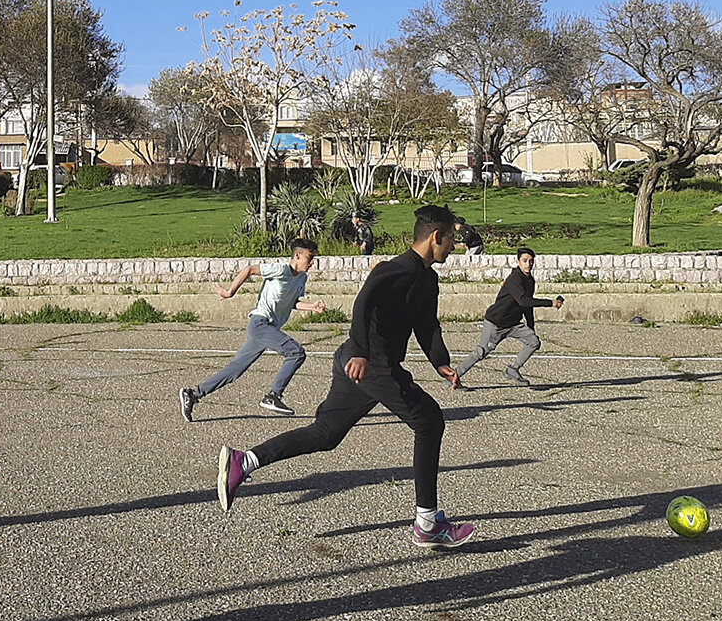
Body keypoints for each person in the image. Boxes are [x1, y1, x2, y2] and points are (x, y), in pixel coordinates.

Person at [216, 205, 477, 549]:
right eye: (451, 241)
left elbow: (426, 324)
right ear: (435, 237)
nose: (454, 247)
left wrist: (440, 363)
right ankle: (427, 524)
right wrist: (361, 351)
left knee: (325, 434)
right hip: (370, 364)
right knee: (429, 421)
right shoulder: (395, 270)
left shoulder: (427, 279)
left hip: (362, 364)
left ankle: (243, 461)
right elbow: (363, 304)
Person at [180, 238, 326, 421]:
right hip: (260, 324)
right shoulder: (280, 270)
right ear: (297, 255)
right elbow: (249, 270)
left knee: (234, 372)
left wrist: (312, 307)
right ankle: (273, 396)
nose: (312, 263)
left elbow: (292, 303)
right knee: (296, 353)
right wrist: (230, 292)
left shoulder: (302, 278)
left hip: (267, 329)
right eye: (309, 257)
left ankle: (193, 394)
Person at [455, 247, 563, 387]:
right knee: (480, 353)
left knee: (533, 342)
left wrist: (531, 327)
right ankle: (454, 377)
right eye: (524, 261)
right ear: (518, 262)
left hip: (512, 324)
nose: (528, 264)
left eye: (531, 261)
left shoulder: (529, 280)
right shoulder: (515, 279)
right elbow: (523, 300)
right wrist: (550, 303)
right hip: (496, 323)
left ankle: (512, 370)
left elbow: (527, 305)